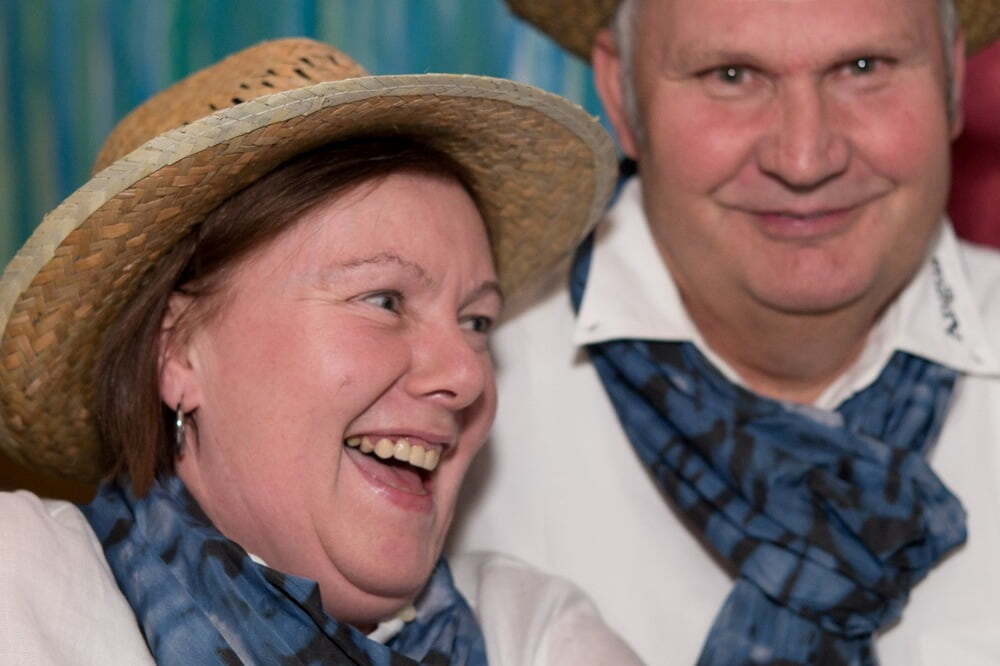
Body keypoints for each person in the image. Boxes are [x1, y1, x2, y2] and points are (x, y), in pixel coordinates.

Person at [0, 38, 643, 665]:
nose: (467, 374)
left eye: (477, 321)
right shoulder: (23, 583)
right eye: (384, 300)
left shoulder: (533, 635)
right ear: (178, 351)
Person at [451, 1, 1000, 663]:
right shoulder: (444, 393)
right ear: (620, 94)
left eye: (864, 67)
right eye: (731, 75)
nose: (804, 158)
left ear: (952, 82)